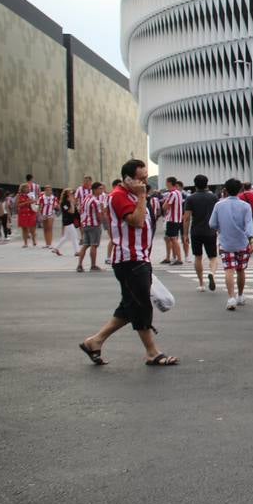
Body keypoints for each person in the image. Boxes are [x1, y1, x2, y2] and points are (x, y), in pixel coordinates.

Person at [79, 158, 178, 368]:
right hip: (129, 259)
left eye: (145, 178)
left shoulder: (134, 195)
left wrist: (141, 196)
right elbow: (137, 221)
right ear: (128, 179)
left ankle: (95, 341)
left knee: (129, 306)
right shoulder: (119, 196)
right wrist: (142, 197)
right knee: (141, 306)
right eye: (141, 179)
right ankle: (152, 352)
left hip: (139, 257)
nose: (145, 183)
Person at [210, 178, 253, 311]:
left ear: (225, 190)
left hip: (225, 242)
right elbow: (249, 224)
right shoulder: (245, 206)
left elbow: (212, 224)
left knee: (229, 270)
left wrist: (220, 228)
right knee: (241, 270)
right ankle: (240, 296)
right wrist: (252, 240)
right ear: (240, 190)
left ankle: (231, 298)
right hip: (242, 242)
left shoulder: (219, 205)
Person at [183, 174, 220, 293]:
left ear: (195, 185)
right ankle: (212, 273)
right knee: (213, 257)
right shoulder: (213, 197)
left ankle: (201, 284)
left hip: (196, 231)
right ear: (207, 184)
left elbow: (187, 218)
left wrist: (185, 234)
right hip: (210, 231)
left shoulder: (190, 198)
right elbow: (218, 215)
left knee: (198, 257)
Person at [76, 182, 106, 272]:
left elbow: (81, 210)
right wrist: (102, 221)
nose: (102, 190)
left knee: (85, 245)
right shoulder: (96, 202)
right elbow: (99, 215)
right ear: (95, 190)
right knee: (94, 245)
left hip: (85, 224)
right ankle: (93, 265)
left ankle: (79, 265)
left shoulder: (86, 198)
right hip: (94, 225)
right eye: (100, 189)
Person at [160, 177, 185, 265]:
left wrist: (164, 204)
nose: (166, 184)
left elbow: (165, 206)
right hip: (177, 219)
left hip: (171, 219)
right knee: (168, 238)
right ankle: (169, 257)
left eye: (166, 182)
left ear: (169, 183)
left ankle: (179, 258)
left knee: (173, 238)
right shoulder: (179, 193)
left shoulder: (172, 193)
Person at [50, 188, 80, 257]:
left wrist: (74, 203)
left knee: (66, 237)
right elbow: (71, 211)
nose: (73, 194)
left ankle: (56, 248)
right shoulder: (64, 203)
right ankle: (77, 251)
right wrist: (72, 203)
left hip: (71, 221)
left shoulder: (70, 201)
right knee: (75, 236)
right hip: (67, 221)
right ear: (67, 194)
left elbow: (75, 211)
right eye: (71, 193)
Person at [15, 183, 38, 247]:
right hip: (23, 213)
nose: (28, 189)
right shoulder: (19, 195)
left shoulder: (31, 194)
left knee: (32, 228)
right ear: (22, 188)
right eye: (26, 187)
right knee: (24, 229)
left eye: (28, 188)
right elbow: (17, 205)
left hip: (31, 213)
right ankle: (25, 243)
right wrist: (26, 202)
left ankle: (34, 240)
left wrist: (33, 201)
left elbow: (35, 202)